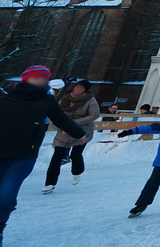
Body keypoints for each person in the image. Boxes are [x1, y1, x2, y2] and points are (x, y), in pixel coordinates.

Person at [0, 66, 86, 243]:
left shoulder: (46, 100)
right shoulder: (6, 97)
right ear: (25, 78)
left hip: (24, 155)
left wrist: (79, 134)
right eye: (36, 77)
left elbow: (61, 119)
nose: (41, 80)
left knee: (6, 198)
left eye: (44, 77)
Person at [43, 79, 99, 192]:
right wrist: (60, 125)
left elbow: (94, 115)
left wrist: (75, 123)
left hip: (83, 131)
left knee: (75, 154)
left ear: (85, 90)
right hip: (64, 130)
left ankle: (77, 171)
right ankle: (50, 183)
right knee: (56, 157)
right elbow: (56, 113)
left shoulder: (90, 100)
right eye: (77, 87)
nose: (78, 89)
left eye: (81, 88)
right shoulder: (65, 98)